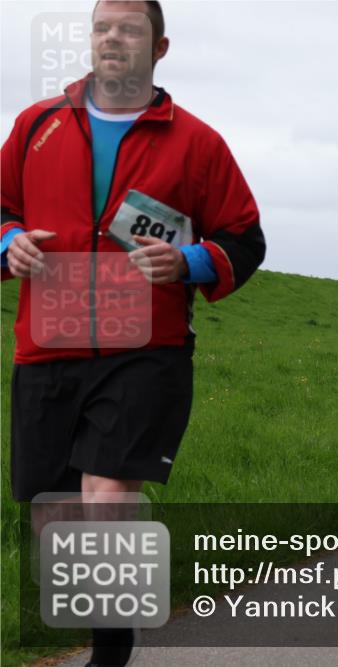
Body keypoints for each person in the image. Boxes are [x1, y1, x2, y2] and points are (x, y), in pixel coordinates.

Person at [1, 2, 265, 665]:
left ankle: (112, 650)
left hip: (146, 350)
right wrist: (8, 242)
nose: (111, 37)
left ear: (160, 46)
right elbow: (1, 208)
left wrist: (189, 260)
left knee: (108, 494)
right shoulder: (36, 125)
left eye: (128, 28)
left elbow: (244, 237)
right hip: (47, 346)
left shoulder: (196, 141)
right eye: (101, 26)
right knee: (54, 516)